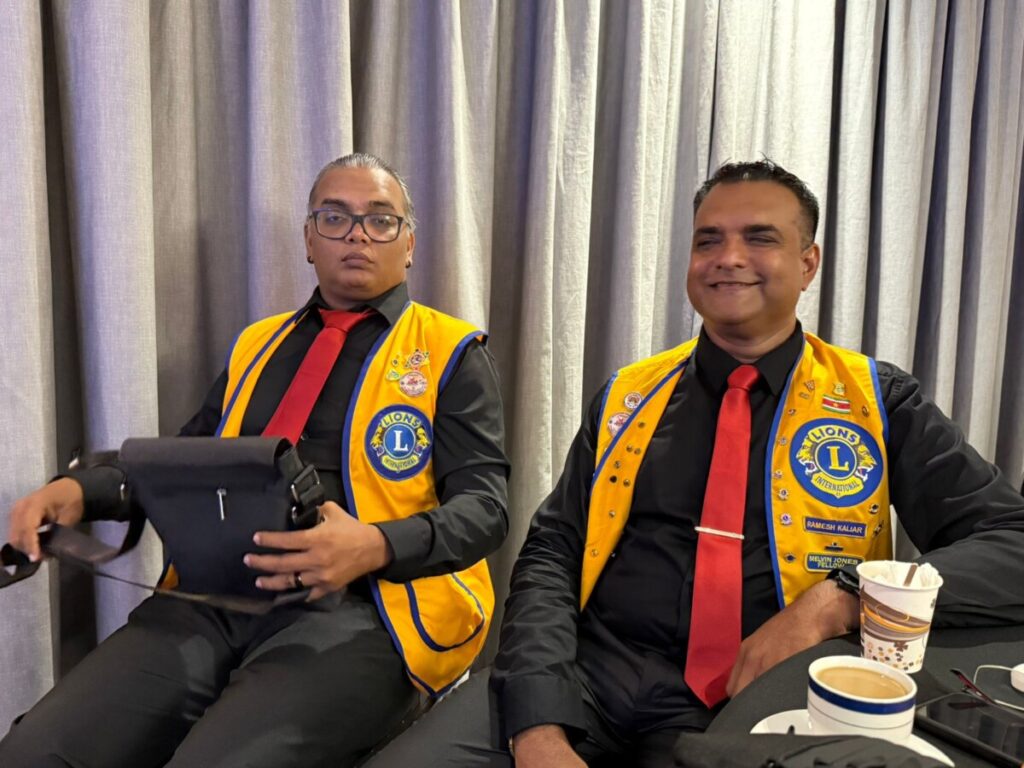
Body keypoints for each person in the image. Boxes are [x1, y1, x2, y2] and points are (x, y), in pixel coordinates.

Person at [365, 159, 1024, 768]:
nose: (728, 258)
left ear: (808, 262)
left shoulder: (878, 401)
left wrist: (841, 597)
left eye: (759, 238)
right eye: (709, 240)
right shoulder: (628, 395)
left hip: (761, 696)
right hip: (587, 679)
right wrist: (537, 722)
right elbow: (552, 553)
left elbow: (1010, 541)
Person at [0, 153, 510, 768]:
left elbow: (486, 510)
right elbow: (186, 463)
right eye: (335, 218)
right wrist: (81, 491)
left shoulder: (451, 352)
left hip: (368, 610)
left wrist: (374, 545)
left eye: (380, 220)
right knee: (35, 751)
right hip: (215, 596)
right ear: (308, 240)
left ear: (408, 246)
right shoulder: (257, 344)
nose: (357, 235)